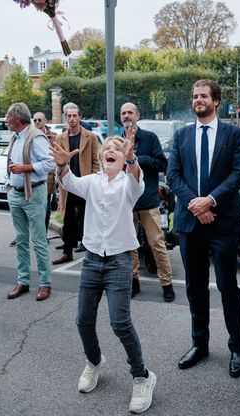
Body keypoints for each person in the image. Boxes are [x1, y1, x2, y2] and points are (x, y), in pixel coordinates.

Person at [51, 133, 157, 414]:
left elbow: (136, 177)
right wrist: (63, 165)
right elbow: (69, 182)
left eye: (118, 149)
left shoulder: (129, 184)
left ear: (123, 158)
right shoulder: (92, 183)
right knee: (83, 320)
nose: (111, 151)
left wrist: (132, 158)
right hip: (91, 261)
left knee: (120, 322)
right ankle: (94, 361)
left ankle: (142, 376)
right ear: (101, 158)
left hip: (119, 262)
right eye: (107, 148)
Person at [166, 79, 240, 378]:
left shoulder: (233, 134)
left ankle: (237, 347)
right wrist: (197, 206)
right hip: (191, 223)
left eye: (203, 96)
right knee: (194, 287)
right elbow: (173, 176)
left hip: (223, 223)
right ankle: (199, 344)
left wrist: (211, 201)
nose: (197, 100)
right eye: (194, 96)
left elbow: (239, 174)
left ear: (216, 100)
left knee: (228, 287)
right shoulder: (182, 135)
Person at [120, 102, 174, 302]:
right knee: (129, 246)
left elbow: (162, 164)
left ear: (137, 115)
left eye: (130, 112)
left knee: (157, 244)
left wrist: (136, 159)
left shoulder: (150, 138)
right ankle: (134, 282)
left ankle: (167, 284)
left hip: (149, 200)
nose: (127, 116)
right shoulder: (118, 139)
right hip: (126, 202)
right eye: (123, 113)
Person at [5, 103, 56, 302]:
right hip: (16, 193)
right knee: (21, 240)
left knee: (39, 241)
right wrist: (9, 182)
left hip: (34, 193)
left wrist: (26, 168)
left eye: (8, 117)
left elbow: (50, 163)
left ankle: (45, 284)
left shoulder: (36, 137)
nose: (6, 120)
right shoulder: (15, 136)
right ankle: (23, 281)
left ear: (17, 119)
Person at [52, 102, 100, 265]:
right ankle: (67, 251)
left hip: (86, 184)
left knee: (88, 219)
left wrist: (94, 180)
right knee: (68, 220)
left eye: (74, 115)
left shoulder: (90, 136)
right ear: (65, 118)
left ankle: (90, 252)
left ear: (79, 117)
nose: (71, 119)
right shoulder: (60, 137)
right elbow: (57, 161)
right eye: (68, 116)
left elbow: (96, 160)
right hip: (68, 184)